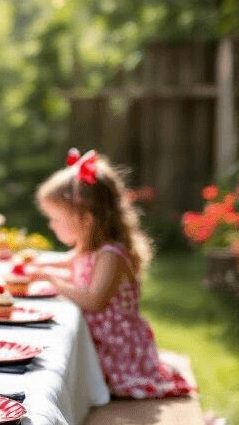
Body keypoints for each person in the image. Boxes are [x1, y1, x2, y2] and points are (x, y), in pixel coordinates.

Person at [32, 150, 194, 399]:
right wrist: (37, 266)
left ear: (85, 220)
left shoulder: (110, 254)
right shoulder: (88, 247)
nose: (51, 226)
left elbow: (93, 299)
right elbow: (65, 262)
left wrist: (52, 280)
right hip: (99, 341)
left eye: (55, 219)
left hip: (116, 349)